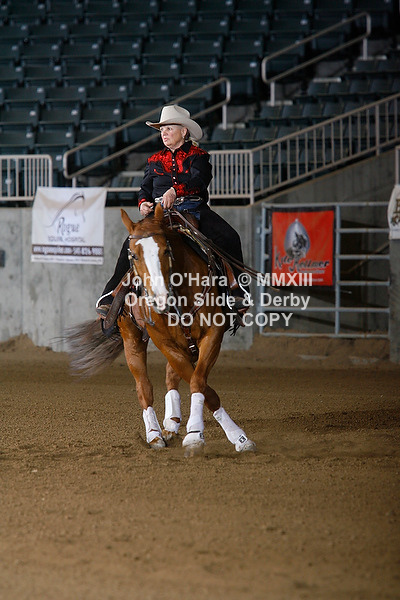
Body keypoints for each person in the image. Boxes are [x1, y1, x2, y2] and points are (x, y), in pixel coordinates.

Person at [96, 104, 248, 319]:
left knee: (229, 237)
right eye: (162, 130)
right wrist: (143, 203)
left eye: (169, 129)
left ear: (184, 131)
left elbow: (200, 180)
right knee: (130, 244)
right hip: (159, 213)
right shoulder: (154, 160)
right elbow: (145, 188)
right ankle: (111, 295)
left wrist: (176, 191)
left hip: (193, 208)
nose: (164, 134)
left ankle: (237, 291)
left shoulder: (199, 156)